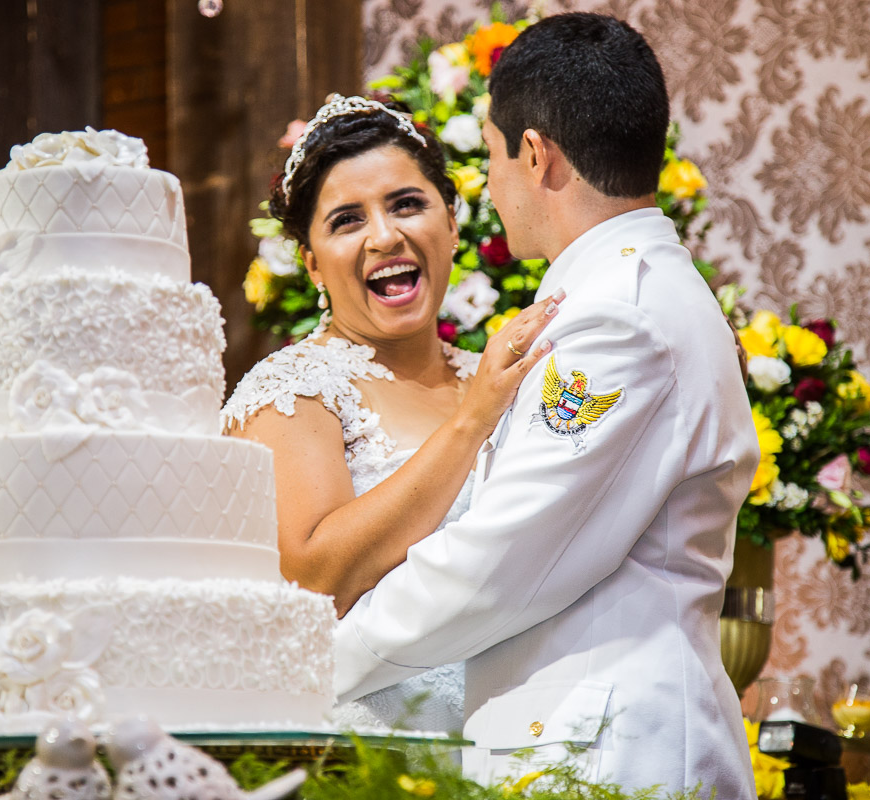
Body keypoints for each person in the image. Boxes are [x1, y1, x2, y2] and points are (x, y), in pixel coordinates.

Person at [332, 13, 760, 797]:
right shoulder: (627, 289)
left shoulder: (619, 315)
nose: (491, 185)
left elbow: (503, 557)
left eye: (491, 156)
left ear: (536, 154)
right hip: (586, 726)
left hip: (611, 741)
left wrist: (319, 666)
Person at [222, 94, 562, 731]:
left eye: (407, 204)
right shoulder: (294, 391)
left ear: (453, 223)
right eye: (347, 220)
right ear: (312, 263)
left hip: (516, 739)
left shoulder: (496, 372)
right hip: (368, 756)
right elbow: (314, 585)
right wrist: (471, 424)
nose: (385, 236)